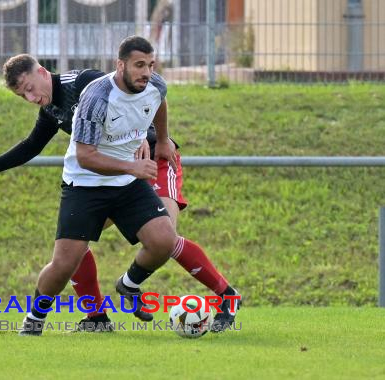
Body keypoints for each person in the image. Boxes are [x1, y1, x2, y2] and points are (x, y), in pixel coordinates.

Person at [17, 36, 241, 336]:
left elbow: (159, 99)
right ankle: (36, 318)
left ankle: (133, 287)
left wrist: (161, 140)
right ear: (119, 65)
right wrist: (133, 166)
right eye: (139, 65)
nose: (146, 72)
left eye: (150, 65)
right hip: (87, 184)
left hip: (129, 181)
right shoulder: (95, 97)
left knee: (164, 239)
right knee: (64, 263)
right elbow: (84, 156)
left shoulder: (154, 84)